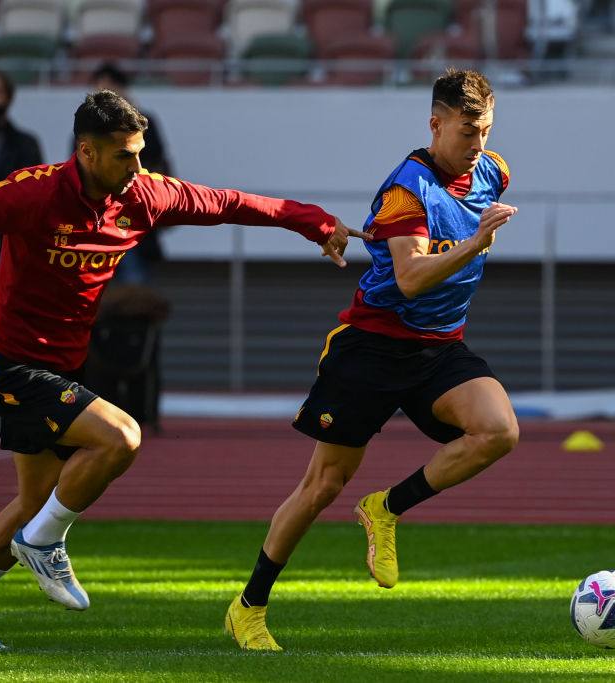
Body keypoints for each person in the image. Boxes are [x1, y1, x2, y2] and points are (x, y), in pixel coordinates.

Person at [0, 89, 368, 651]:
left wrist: (316, 222)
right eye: (124, 156)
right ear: (86, 152)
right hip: (11, 366)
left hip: (62, 369)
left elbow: (233, 203)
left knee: (33, 504)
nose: (138, 168)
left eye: (141, 153)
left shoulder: (146, 195)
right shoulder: (35, 192)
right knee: (122, 438)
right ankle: (45, 544)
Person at [223, 68, 521, 651]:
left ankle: (386, 508)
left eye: (485, 131)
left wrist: (466, 234)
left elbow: (459, 220)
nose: (478, 146)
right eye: (466, 132)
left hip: (437, 347)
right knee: (321, 485)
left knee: (498, 431)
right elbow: (408, 280)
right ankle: (248, 607)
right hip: (373, 346)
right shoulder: (405, 191)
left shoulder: (494, 170)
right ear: (435, 125)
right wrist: (474, 243)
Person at [88, 62, 172, 285]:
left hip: (133, 217)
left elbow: (154, 162)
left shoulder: (143, 123)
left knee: (134, 285)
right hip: (98, 220)